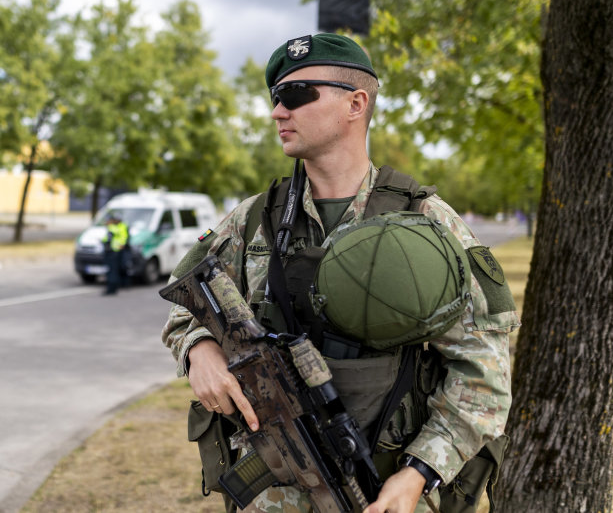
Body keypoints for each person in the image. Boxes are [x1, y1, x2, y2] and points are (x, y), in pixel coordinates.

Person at [161, 34, 519, 513]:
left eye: (294, 96)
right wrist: (198, 350)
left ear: (356, 103)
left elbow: (485, 371)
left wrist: (419, 473)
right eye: (274, 99)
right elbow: (184, 309)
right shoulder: (252, 220)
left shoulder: (428, 226)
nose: (277, 113)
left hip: (383, 492)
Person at [101, 212, 129, 295]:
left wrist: (109, 225)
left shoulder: (118, 227)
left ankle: (111, 289)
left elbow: (118, 236)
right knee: (112, 271)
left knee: (112, 271)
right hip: (113, 251)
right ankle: (112, 288)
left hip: (114, 252)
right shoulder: (116, 227)